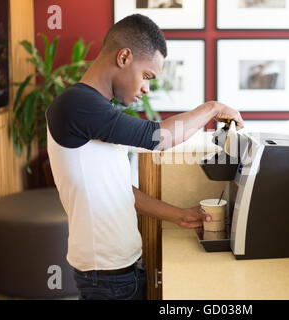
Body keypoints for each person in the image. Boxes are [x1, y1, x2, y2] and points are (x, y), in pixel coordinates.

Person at [45, 14, 244, 300]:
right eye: (147, 76)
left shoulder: (96, 110)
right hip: (106, 278)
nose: (145, 88)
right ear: (124, 57)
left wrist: (179, 215)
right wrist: (212, 108)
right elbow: (158, 137)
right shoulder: (77, 105)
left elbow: (117, 189)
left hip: (122, 271)